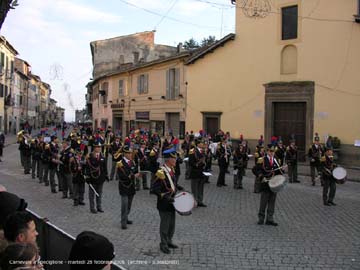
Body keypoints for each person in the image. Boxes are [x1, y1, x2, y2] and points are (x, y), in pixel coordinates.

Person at [151, 148, 178, 254]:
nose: (175, 160)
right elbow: (154, 189)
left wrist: (178, 188)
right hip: (164, 203)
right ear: (168, 160)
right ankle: (163, 244)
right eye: (174, 158)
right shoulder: (161, 172)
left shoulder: (172, 170)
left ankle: (169, 240)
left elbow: (173, 185)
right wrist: (166, 197)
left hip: (173, 202)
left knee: (172, 224)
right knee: (165, 225)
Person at [257, 145, 282, 226]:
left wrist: (282, 171)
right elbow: (256, 169)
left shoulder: (276, 160)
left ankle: (269, 218)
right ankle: (261, 218)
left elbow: (278, 172)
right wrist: (261, 177)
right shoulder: (262, 160)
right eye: (270, 151)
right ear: (267, 151)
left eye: (273, 151)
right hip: (265, 184)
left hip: (274, 185)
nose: (272, 153)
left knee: (272, 202)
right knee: (263, 202)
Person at [117, 145, 139, 229]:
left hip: (131, 186)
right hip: (124, 186)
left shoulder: (132, 162)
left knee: (129, 205)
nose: (130, 154)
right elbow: (123, 176)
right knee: (124, 205)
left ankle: (126, 218)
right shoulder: (120, 164)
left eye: (131, 153)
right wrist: (134, 176)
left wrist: (138, 173)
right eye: (128, 153)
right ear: (124, 153)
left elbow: (135, 171)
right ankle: (123, 222)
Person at [84, 142, 109, 213]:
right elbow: (87, 167)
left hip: (100, 178)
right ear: (94, 148)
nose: (98, 148)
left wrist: (106, 175)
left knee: (99, 193)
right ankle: (92, 208)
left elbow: (104, 167)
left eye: (99, 147)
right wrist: (87, 176)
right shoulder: (90, 156)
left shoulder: (102, 156)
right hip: (92, 178)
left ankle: (99, 207)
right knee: (91, 194)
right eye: (97, 147)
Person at [189, 138, 207, 207]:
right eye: (201, 143)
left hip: (201, 172)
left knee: (200, 188)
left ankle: (200, 201)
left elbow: (205, 160)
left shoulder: (203, 151)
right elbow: (191, 162)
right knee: (194, 188)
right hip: (195, 172)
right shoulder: (192, 151)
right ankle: (194, 201)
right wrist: (198, 165)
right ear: (198, 144)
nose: (203, 144)